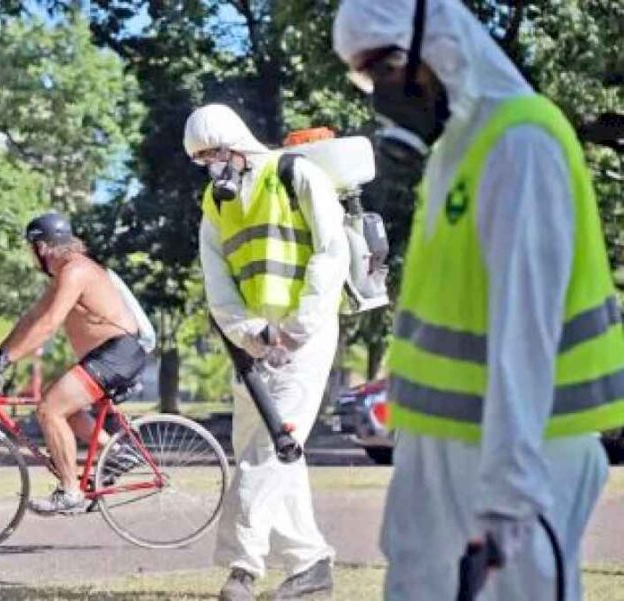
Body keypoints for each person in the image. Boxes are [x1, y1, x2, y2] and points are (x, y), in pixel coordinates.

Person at [332, 1, 624, 599]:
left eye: (385, 68)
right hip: (444, 446)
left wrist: (510, 491)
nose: (382, 93)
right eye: (366, 78)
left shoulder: (522, 140)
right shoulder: (454, 152)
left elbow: (526, 326)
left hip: (522, 455)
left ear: (436, 40)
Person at [184, 104, 348, 600]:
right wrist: (251, 333)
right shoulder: (216, 203)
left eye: (214, 153)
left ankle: (242, 569)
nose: (211, 165)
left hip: (306, 336)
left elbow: (331, 251)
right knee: (270, 452)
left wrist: (297, 328)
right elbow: (218, 284)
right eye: (200, 159)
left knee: (266, 451)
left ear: (236, 142)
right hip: (254, 346)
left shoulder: (296, 174)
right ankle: (310, 564)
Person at [0, 213, 147, 515]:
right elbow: (32, 319)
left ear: (41, 247)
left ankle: (71, 491)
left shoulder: (76, 271)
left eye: (31, 248)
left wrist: (10, 358)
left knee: (50, 409)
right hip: (106, 356)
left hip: (116, 353)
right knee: (59, 407)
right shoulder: (64, 276)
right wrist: (0, 350)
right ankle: (118, 452)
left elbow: (49, 325)